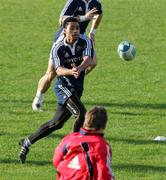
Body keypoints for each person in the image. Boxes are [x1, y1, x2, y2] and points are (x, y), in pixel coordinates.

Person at [19, 17, 94, 163]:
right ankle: (73, 150)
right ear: (65, 30)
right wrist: (71, 72)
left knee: (56, 123)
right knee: (81, 114)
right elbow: (58, 70)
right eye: (72, 28)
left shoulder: (85, 41)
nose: (76, 31)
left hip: (77, 88)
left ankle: (27, 142)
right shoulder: (58, 47)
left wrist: (78, 68)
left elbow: (89, 59)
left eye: (77, 28)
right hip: (63, 86)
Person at [32, 0, 103, 111]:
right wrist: (84, 17)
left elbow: (99, 13)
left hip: (80, 39)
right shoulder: (74, 1)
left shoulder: (96, 2)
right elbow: (62, 20)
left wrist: (92, 32)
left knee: (93, 62)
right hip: (64, 40)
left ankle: (70, 78)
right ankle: (38, 99)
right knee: (51, 74)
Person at [52, 106, 115, 180]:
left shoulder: (69, 138)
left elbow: (56, 161)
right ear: (103, 126)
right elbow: (104, 172)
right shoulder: (101, 144)